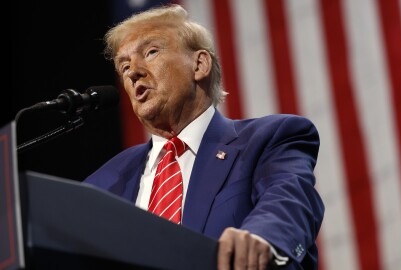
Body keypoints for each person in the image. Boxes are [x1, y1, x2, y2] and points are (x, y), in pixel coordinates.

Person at [84, 4, 324, 270]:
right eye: (124, 65)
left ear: (199, 64)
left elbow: (288, 200)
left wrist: (262, 239)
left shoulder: (268, 140)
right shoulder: (103, 183)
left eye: (151, 52)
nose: (133, 72)